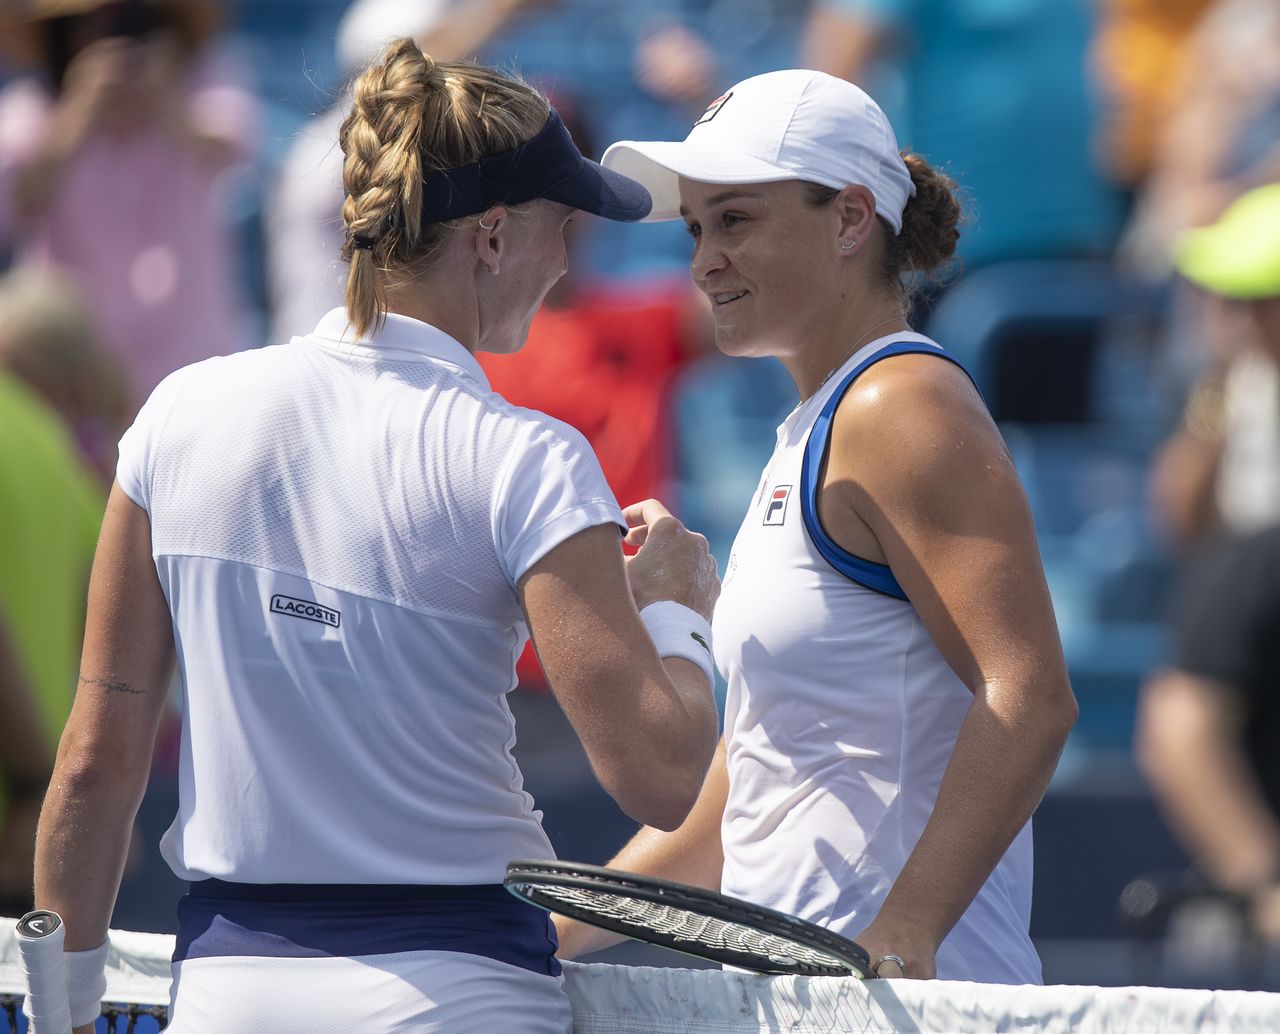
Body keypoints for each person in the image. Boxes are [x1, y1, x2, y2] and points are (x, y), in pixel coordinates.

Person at [31, 39, 719, 1033]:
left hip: (233, 996)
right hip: (461, 990)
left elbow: (94, 770)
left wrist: (61, 1015)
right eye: (559, 225)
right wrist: (675, 612)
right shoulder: (525, 454)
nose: (569, 254)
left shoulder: (176, 414)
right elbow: (661, 777)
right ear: (490, 236)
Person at [554, 69, 1080, 983]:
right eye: (697, 230)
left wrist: (902, 931)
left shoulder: (900, 404)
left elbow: (1029, 694)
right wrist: (556, 931)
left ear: (847, 220)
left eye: (737, 221)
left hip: (901, 1007)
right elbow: (750, 793)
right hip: (806, 1001)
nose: (703, 260)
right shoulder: (819, 426)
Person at [1137, 183, 1280, 951]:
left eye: (1257, 297)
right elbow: (1182, 518)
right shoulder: (1230, 390)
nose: (1242, 316)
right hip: (1243, 657)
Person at [0, 0, 258, 410]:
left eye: (137, 24)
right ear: (65, 37)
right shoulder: (33, 108)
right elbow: (15, 202)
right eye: (94, 28)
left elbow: (231, 154)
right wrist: (77, 117)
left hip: (192, 364)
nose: (118, 46)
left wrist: (168, 102)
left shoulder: (201, 85)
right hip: (78, 380)